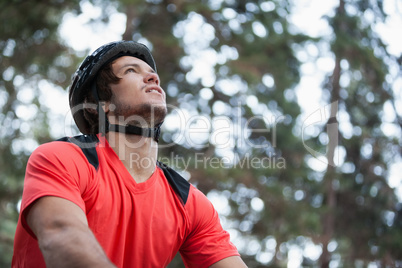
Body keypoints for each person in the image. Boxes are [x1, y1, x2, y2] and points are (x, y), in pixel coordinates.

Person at [12, 40, 247, 268]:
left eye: (152, 73)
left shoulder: (190, 204)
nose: (153, 77)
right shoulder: (63, 158)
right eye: (131, 70)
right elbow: (63, 239)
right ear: (101, 104)